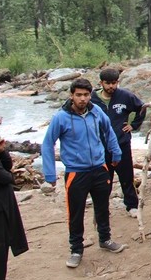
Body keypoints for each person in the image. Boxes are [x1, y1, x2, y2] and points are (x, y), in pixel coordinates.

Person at [41, 78, 126, 268]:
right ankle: (76, 250)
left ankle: (105, 239)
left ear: (90, 95)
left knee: (103, 207)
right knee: (76, 212)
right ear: (71, 95)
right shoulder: (61, 117)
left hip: (99, 168)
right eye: (78, 95)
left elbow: (109, 130)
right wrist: (50, 174)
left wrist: (116, 152)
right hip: (76, 172)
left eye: (86, 95)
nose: (82, 99)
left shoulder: (96, 111)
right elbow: (47, 144)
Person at [90, 68, 146, 217]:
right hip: (100, 146)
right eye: (108, 83)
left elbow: (141, 108)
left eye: (114, 83)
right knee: (103, 179)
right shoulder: (92, 99)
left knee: (126, 176)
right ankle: (102, 209)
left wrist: (133, 125)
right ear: (101, 83)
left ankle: (131, 206)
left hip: (122, 143)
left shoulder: (125, 96)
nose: (111, 86)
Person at [0, 135, 28, 280]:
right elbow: (6, 177)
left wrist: (1, 151)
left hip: (0, 206)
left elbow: (7, 166)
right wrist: (9, 175)